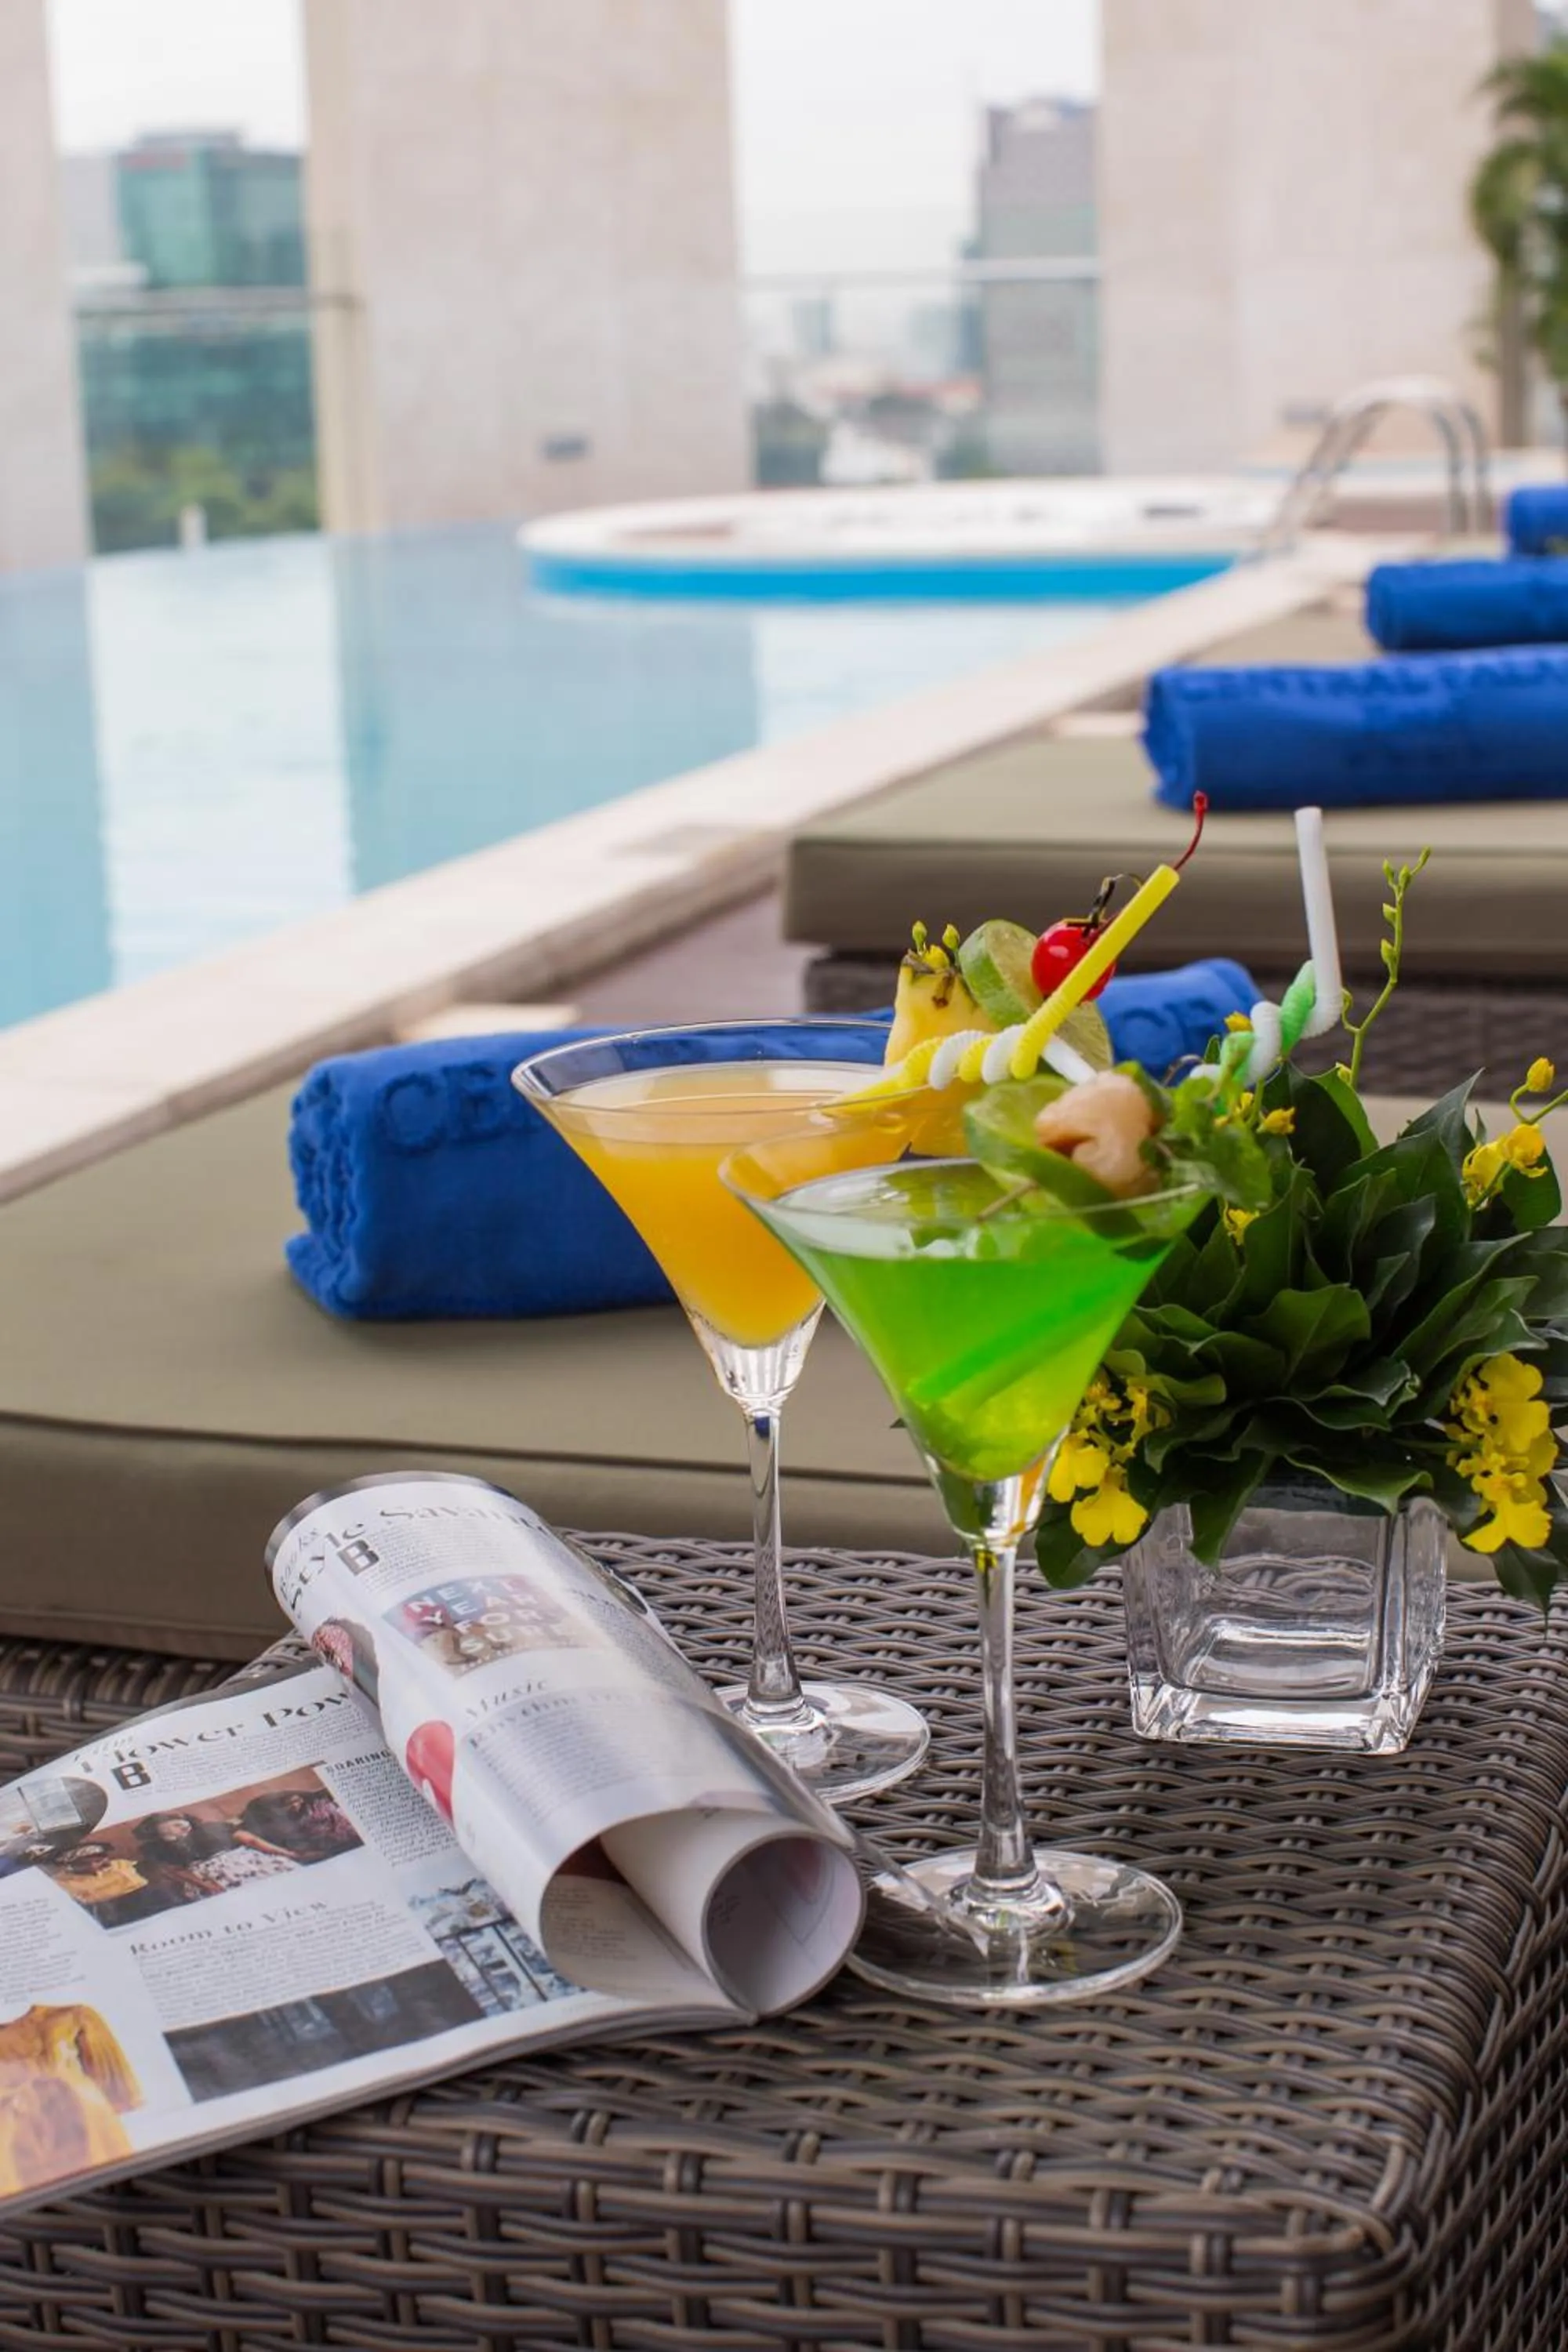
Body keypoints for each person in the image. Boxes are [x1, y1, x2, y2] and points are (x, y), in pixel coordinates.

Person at [0, 2001, 141, 2197]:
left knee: (109, 2185)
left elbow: (115, 2087)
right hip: (11, 2139)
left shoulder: (73, 2015)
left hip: (80, 2118)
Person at [131, 1812, 297, 1900]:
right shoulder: (156, 1848)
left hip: (240, 1861)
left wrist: (289, 1853)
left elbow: (252, 1840)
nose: (180, 1832)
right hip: (205, 1875)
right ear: (160, 1837)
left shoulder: (214, 1827)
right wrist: (206, 1885)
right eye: (169, 1834)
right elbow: (175, 1871)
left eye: (178, 1825)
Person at [236, 1788, 360, 1865]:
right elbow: (244, 1836)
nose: (294, 1805)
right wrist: (292, 1854)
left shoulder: (319, 1807)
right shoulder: (264, 1824)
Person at [46, 1842, 148, 1926]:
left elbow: (142, 1880)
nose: (94, 1865)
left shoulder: (121, 1864)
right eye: (83, 1863)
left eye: (99, 1860)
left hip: (140, 1902)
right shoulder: (60, 1881)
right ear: (71, 1865)